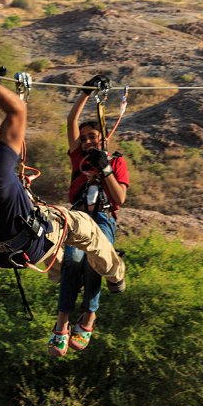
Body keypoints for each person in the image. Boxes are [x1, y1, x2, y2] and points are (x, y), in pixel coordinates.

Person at [0, 59, 126, 344]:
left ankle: (72, 287)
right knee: (85, 227)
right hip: (29, 243)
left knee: (70, 262)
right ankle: (116, 276)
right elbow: (17, 110)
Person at [50, 75, 130, 356]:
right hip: (80, 216)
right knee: (72, 260)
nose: (85, 141)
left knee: (94, 264)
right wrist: (85, 93)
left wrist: (106, 170)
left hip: (105, 217)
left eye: (91, 137)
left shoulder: (116, 161)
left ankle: (88, 318)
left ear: (103, 138)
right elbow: (71, 121)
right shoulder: (78, 158)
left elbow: (119, 198)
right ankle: (62, 325)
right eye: (83, 139)